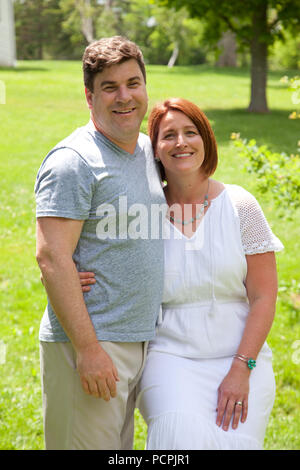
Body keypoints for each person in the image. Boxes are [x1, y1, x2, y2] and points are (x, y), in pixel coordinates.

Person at [79, 97, 284, 450]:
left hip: (241, 358)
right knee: (178, 439)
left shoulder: (241, 206)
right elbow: (103, 257)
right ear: (154, 150)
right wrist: (72, 274)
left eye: (190, 132)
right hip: (170, 357)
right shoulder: (142, 213)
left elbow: (264, 296)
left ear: (206, 140)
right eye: (168, 135)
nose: (181, 143)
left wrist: (241, 368)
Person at [34, 36, 165, 450]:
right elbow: (52, 258)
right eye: (110, 87)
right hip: (91, 343)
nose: (124, 97)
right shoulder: (73, 161)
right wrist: (88, 350)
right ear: (89, 97)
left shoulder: (147, 150)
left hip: (138, 340)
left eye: (133, 83)